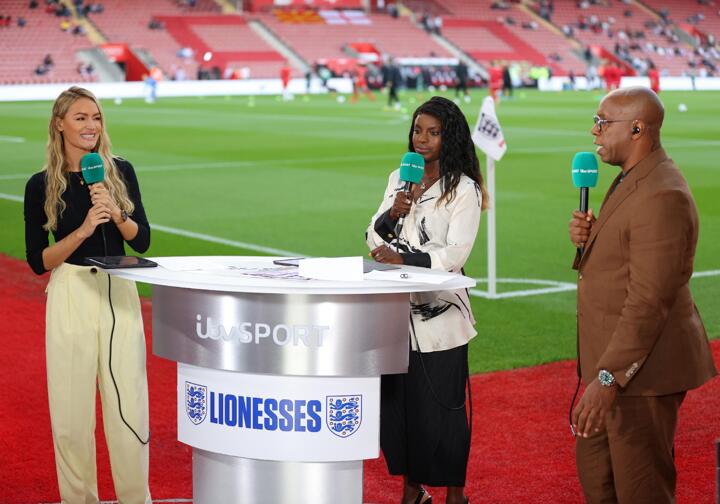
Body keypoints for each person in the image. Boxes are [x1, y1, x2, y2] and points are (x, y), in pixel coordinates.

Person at [568, 86, 716, 502]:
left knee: (640, 490)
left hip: (640, 376)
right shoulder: (633, 178)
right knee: (600, 483)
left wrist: (607, 378)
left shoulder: (662, 194)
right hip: (614, 368)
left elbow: (649, 301)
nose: (594, 131)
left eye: (602, 122)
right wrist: (588, 241)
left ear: (637, 129)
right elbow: (621, 262)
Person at [23, 86, 152, 503]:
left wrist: (116, 212)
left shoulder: (120, 171)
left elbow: (142, 241)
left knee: (129, 405)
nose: (91, 125)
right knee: (71, 412)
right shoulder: (41, 185)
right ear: (59, 124)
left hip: (119, 291)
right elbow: (39, 260)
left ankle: (136, 497)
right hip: (71, 292)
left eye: (96, 117)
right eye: (80, 118)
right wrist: (82, 231)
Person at [367, 96, 487, 504]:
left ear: (448, 138)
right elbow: (372, 236)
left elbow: (455, 254)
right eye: (418, 130)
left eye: (433, 133)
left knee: (443, 412)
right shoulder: (398, 178)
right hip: (394, 317)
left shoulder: (464, 190)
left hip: (442, 321)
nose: (422, 139)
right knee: (399, 411)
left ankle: (456, 494)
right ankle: (412, 491)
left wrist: (403, 258)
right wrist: (392, 215)